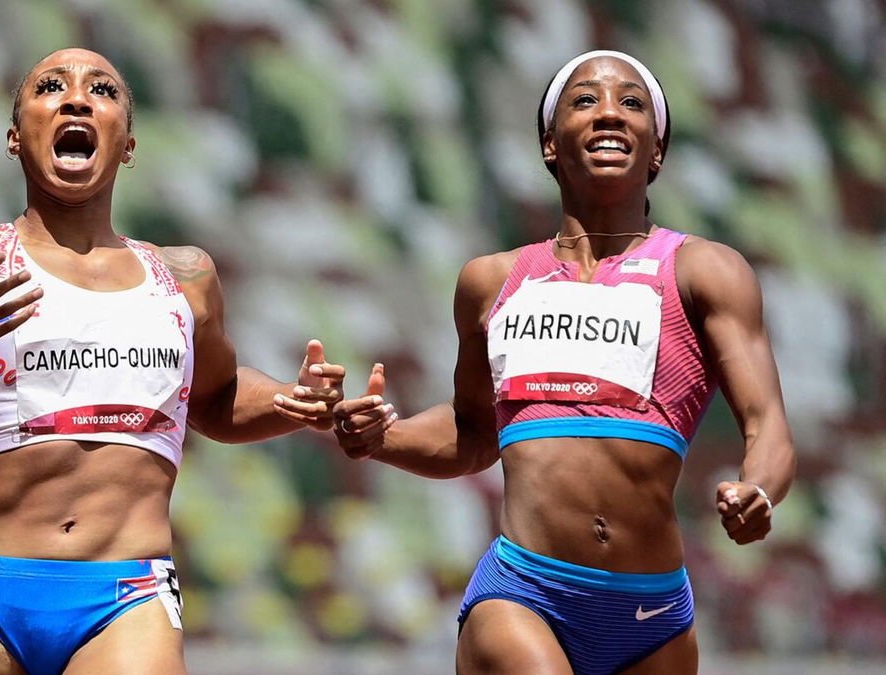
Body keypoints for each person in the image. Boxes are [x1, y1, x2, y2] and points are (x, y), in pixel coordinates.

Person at [0, 47, 344, 674]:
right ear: (15, 138)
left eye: (102, 89)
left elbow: (214, 399)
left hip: (125, 599)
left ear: (126, 143)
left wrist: (294, 401)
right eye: (50, 86)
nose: (76, 97)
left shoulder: (186, 277)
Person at [332, 50, 796, 675]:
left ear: (656, 151)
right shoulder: (490, 282)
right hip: (524, 592)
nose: (609, 114)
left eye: (632, 103)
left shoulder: (704, 272)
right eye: (585, 101)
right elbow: (473, 435)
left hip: (652, 615)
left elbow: (768, 425)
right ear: (550, 144)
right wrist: (382, 438)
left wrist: (759, 489)